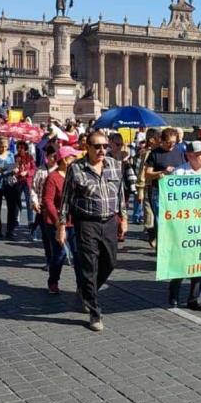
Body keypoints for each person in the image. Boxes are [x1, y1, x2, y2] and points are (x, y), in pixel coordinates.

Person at [58, 131, 128, 332]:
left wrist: (124, 218)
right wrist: (61, 226)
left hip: (109, 222)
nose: (102, 150)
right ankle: (94, 312)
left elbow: (120, 194)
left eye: (105, 146)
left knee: (110, 261)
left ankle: (87, 291)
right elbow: (66, 200)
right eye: (97, 146)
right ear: (87, 147)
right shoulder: (76, 168)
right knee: (90, 265)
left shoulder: (115, 165)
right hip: (86, 222)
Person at [168, 141, 201, 310]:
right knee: (182, 260)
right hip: (184, 224)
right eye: (200, 154)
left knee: (200, 261)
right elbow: (172, 200)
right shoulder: (180, 173)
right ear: (190, 156)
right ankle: (174, 293)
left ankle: (194, 298)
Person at [43, 145, 82, 294]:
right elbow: (48, 201)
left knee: (78, 254)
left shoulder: (77, 175)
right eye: (73, 157)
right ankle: (53, 281)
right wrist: (59, 221)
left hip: (75, 221)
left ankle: (81, 285)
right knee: (60, 254)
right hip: (57, 222)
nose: (77, 160)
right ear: (65, 160)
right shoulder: (53, 177)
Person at [144, 127, 185, 249]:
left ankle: (172, 247)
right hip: (158, 191)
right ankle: (161, 249)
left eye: (174, 142)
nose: (171, 145)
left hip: (175, 191)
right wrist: (161, 172)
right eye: (168, 142)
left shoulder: (178, 151)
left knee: (175, 219)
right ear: (162, 141)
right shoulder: (154, 154)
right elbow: (147, 174)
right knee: (161, 220)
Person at [31, 145, 58, 271]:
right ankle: (49, 260)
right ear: (47, 157)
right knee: (47, 236)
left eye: (57, 156)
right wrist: (34, 201)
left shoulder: (62, 170)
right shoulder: (41, 170)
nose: (55, 159)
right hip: (44, 208)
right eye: (52, 156)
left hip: (58, 208)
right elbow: (34, 189)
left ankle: (59, 257)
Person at [0, 137, 20, 239]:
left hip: (9, 184)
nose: (4, 148)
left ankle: (10, 230)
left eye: (6, 146)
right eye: (1, 146)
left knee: (12, 207)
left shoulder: (10, 154)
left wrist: (15, 169)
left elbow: (13, 165)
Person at [15, 141, 37, 240]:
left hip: (28, 182)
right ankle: (16, 219)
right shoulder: (15, 157)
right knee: (17, 201)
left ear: (26, 148)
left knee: (29, 202)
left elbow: (34, 169)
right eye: (18, 147)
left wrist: (27, 172)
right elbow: (12, 168)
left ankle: (30, 221)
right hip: (18, 181)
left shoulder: (30, 157)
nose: (20, 149)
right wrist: (17, 167)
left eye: (22, 147)